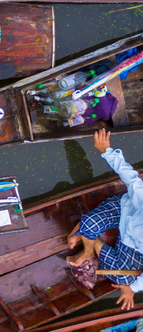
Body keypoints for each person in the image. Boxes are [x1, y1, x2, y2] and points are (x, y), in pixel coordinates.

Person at [66, 128, 143, 311]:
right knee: (90, 224)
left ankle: (91, 238)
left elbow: (132, 285)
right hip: (124, 210)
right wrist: (106, 151)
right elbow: (132, 180)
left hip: (134, 247)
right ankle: (87, 249)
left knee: (122, 279)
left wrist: (131, 289)